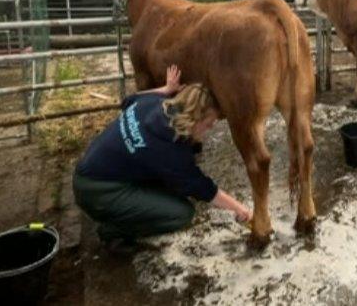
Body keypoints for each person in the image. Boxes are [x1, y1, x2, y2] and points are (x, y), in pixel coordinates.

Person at [72, 65, 251, 253]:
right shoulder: (169, 149)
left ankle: (123, 208)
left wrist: (165, 90)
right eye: (208, 124)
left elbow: (127, 101)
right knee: (181, 213)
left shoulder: (156, 102)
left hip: (89, 170)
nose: (208, 130)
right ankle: (112, 232)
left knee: (169, 187)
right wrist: (239, 209)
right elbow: (201, 187)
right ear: (194, 119)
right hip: (97, 192)